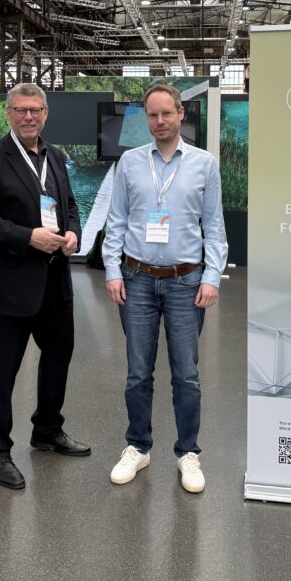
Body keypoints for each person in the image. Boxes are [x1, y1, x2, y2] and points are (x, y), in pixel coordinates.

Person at [0, 82, 90, 490]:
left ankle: (47, 429)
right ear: (9, 115)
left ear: (46, 114)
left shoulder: (56, 156)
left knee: (58, 356)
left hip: (54, 280)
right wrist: (26, 236)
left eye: (35, 110)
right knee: (3, 372)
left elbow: (69, 206)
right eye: (20, 110)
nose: (28, 116)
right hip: (9, 283)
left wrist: (73, 232)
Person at [102, 82, 227, 494]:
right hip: (136, 279)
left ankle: (187, 452)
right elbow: (117, 220)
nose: (160, 121)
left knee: (186, 375)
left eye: (166, 114)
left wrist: (211, 276)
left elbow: (214, 226)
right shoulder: (130, 162)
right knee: (138, 372)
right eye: (153, 115)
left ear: (180, 114)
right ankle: (138, 446)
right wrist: (112, 270)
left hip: (186, 282)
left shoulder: (204, 164)